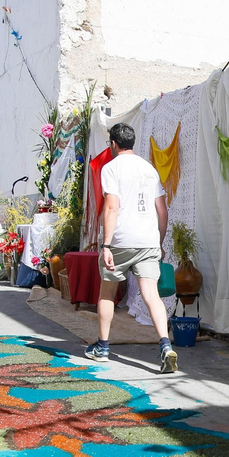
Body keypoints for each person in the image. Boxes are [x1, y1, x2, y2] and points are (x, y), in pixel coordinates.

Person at [87, 122, 178, 373]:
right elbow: (162, 212)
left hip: (121, 240)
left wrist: (106, 245)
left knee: (107, 293)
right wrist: (159, 243)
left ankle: (103, 347)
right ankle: (165, 345)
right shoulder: (149, 169)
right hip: (148, 241)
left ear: (113, 144)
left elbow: (112, 207)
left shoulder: (111, 168)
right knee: (152, 294)